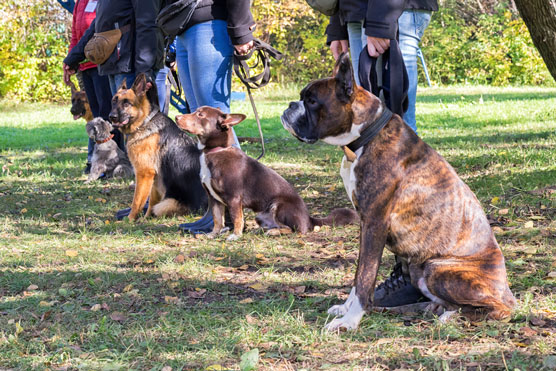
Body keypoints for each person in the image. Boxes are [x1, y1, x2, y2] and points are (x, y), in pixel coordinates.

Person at [325, 0, 438, 308]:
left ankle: (415, 271)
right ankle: (406, 269)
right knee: (375, 139)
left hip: (389, 12)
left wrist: (381, 21)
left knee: (398, 137)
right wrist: (339, 25)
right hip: (362, 13)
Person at [175, 0, 257, 234]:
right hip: (182, 27)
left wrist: (241, 29)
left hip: (208, 24)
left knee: (217, 124)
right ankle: (216, 215)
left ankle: (235, 213)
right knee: (200, 122)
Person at [326, 0, 438, 133]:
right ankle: (376, 151)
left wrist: (381, 22)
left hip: (394, 9)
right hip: (356, 10)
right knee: (367, 111)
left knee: (399, 125)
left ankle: (405, 150)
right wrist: (337, 26)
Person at [63, 0, 124, 174]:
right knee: (95, 117)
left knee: (107, 114)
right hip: (84, 67)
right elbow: (76, 37)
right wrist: (70, 61)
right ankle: (97, 162)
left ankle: (113, 163)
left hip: (102, 64)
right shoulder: (80, 3)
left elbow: (102, 28)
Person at [63, 0, 165, 104]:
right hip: (113, 62)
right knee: (118, 117)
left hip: (131, 66)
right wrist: (73, 57)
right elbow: (98, 25)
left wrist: (143, 72)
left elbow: (147, 25)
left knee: (135, 118)